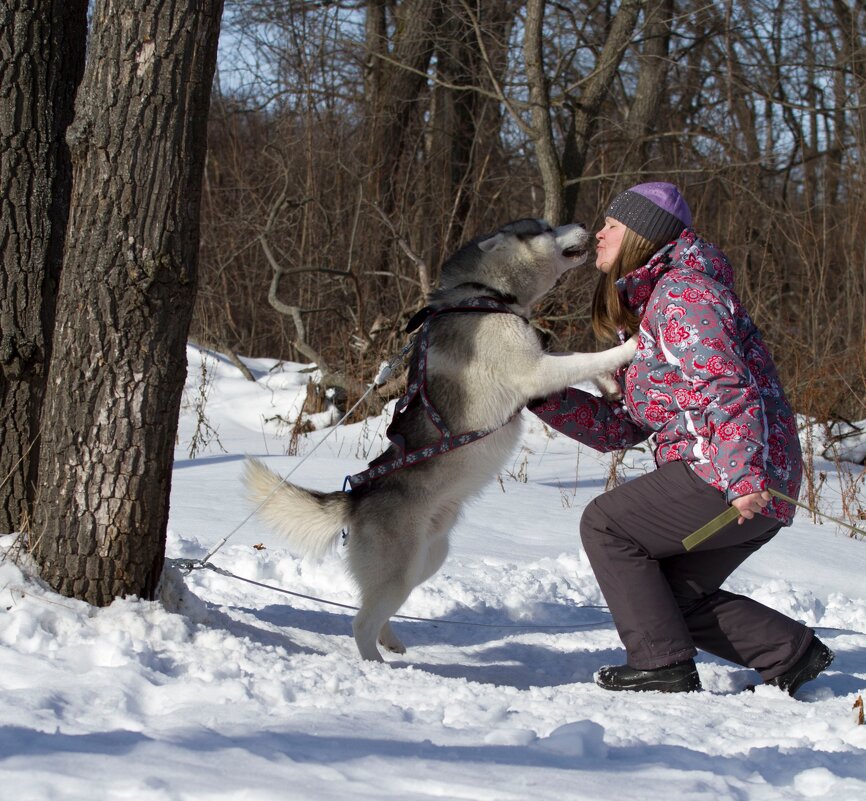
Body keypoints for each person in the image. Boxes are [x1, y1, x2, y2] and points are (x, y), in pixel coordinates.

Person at [530, 182, 833, 695]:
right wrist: (538, 392)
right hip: (751, 477)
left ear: (642, 236)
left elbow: (726, 385)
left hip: (728, 473)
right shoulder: (656, 308)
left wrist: (741, 476)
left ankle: (661, 665)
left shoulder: (685, 294)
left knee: (606, 524)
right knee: (665, 595)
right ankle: (789, 652)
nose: (598, 233)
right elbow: (623, 427)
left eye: (612, 225)